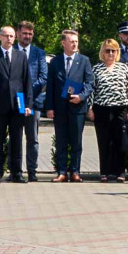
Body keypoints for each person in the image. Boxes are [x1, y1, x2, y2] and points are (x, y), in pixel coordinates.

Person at [0, 26, 33, 183]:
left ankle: (16, 173)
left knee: (17, 140)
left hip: (17, 106)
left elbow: (27, 83)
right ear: (0, 37)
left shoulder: (21, 56)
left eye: (12, 36)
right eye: (6, 36)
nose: (9, 39)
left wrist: (28, 105)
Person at [45, 29, 93, 182]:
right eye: (71, 41)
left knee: (76, 142)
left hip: (77, 108)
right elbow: (50, 85)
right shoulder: (55, 61)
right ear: (63, 43)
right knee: (61, 141)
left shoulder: (84, 60)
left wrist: (81, 96)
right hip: (60, 108)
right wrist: (49, 107)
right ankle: (62, 172)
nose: (74, 44)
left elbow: (90, 83)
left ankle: (75, 171)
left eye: (76, 41)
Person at [87, 39, 128, 182]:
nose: (110, 53)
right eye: (107, 50)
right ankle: (105, 172)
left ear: (117, 52)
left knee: (120, 141)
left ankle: (120, 172)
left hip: (120, 108)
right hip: (101, 108)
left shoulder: (123, 68)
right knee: (104, 141)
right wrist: (90, 108)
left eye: (113, 51)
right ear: (103, 52)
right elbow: (91, 91)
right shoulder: (96, 69)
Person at [16, 21, 48, 181]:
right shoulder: (11, 51)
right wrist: (19, 96)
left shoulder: (39, 53)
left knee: (32, 138)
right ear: (18, 34)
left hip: (34, 102)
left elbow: (43, 78)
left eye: (30, 34)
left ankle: (32, 171)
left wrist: (28, 95)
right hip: (15, 101)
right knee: (15, 138)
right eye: (24, 33)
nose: (27, 36)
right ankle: (16, 171)